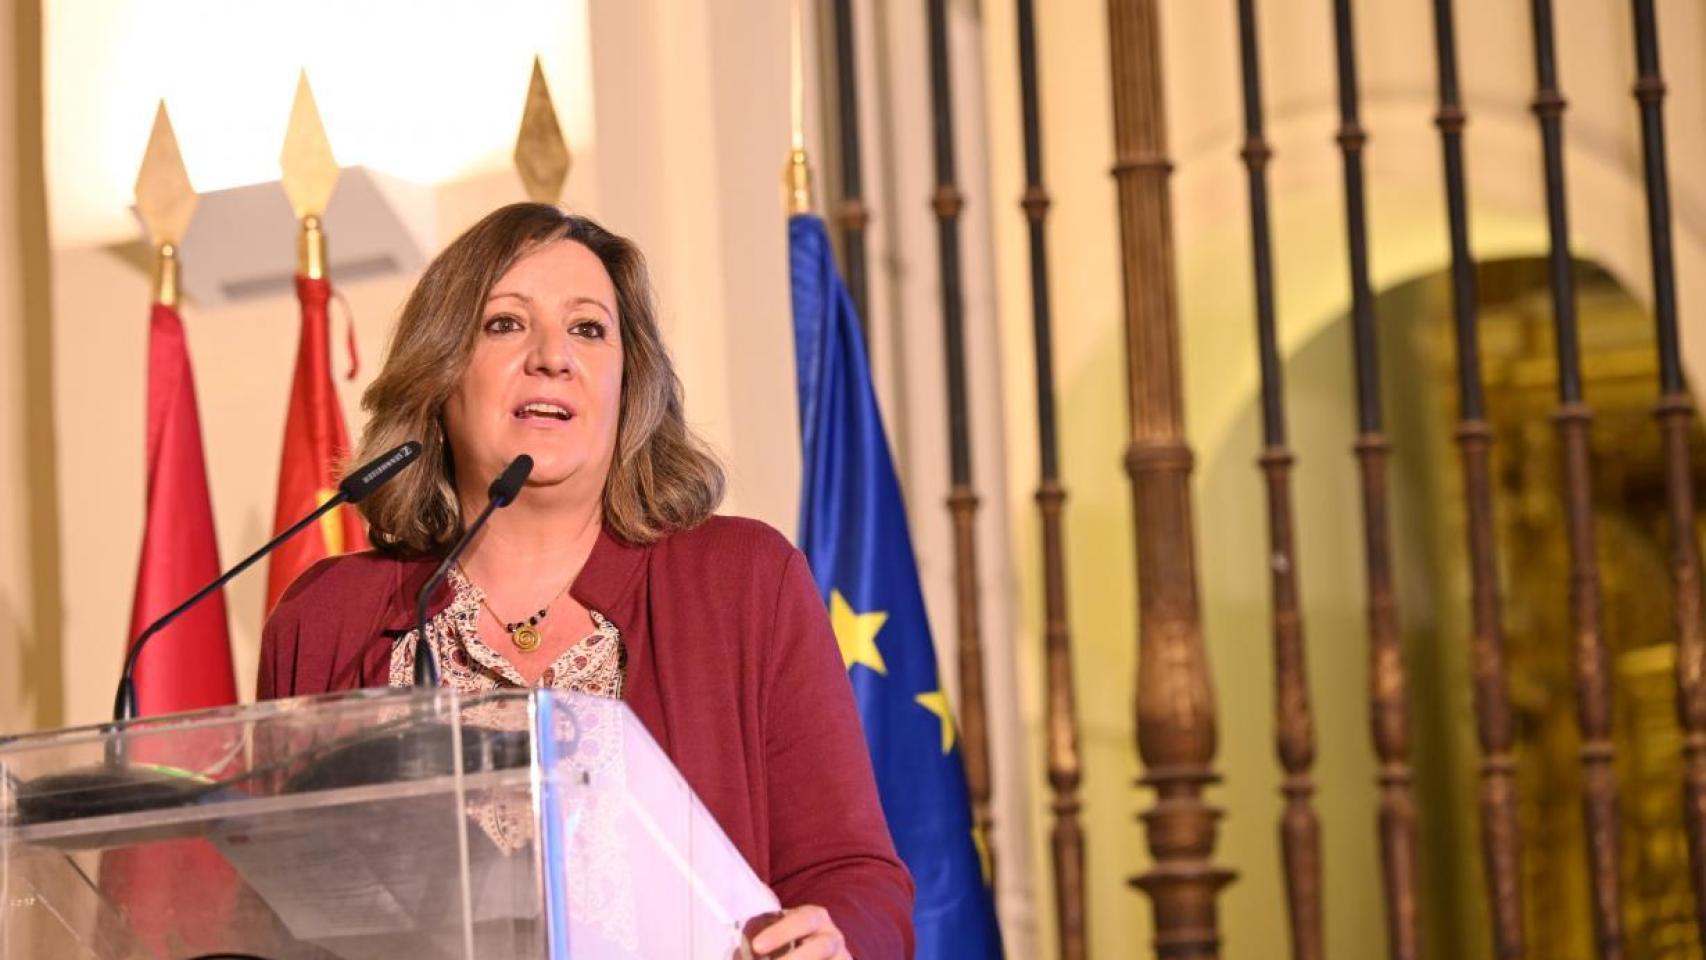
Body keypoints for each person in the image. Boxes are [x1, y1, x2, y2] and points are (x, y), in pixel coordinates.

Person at [258, 203, 914, 959]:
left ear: (626, 386)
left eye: (588, 328)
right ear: (438, 376)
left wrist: (835, 941)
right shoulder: (325, 619)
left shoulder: (744, 584)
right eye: (505, 323)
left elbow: (855, 879)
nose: (551, 356)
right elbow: (278, 911)